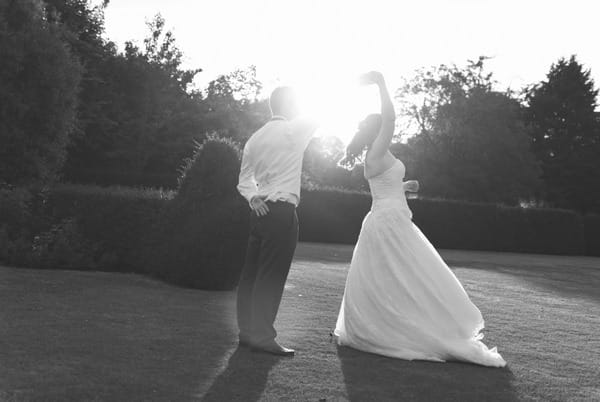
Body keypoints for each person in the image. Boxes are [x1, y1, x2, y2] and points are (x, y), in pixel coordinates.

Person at [334, 71, 506, 367]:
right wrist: (381, 83)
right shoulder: (377, 150)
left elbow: (384, 189)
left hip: (386, 217)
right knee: (414, 275)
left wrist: (404, 187)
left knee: (398, 277)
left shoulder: (377, 156)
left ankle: (394, 325)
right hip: (389, 221)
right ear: (378, 132)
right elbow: (390, 119)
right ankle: (408, 330)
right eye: (385, 130)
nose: (390, 132)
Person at [237, 86, 318, 356]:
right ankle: (262, 336)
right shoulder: (294, 130)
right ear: (291, 105)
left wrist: (253, 198)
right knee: (271, 276)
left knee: (251, 274)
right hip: (281, 212)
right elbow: (318, 112)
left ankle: (247, 334)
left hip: (258, 214)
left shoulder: (255, 138)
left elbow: (243, 181)